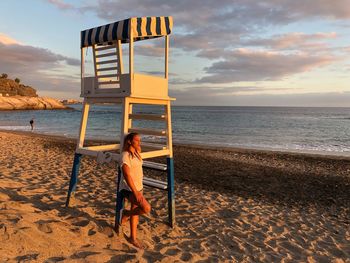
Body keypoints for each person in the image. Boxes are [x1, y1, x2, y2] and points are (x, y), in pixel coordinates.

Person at [119, 132, 151, 249]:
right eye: (136, 140)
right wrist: (135, 192)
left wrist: (136, 146)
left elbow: (138, 147)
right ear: (129, 141)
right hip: (129, 189)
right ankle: (126, 214)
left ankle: (133, 237)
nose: (139, 142)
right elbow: (127, 175)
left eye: (139, 140)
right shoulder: (125, 156)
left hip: (139, 187)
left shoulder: (137, 153)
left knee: (135, 211)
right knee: (146, 208)